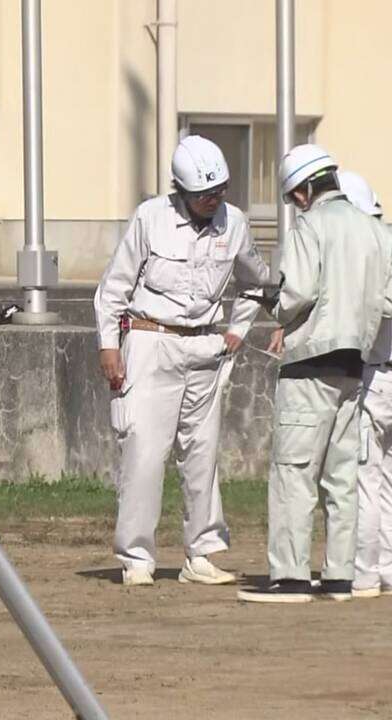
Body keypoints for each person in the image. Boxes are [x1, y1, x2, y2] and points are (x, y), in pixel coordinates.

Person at [94, 135, 272, 587]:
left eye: (220, 192)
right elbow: (114, 287)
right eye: (204, 195)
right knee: (144, 450)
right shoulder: (149, 218)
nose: (214, 201)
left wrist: (238, 328)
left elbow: (256, 281)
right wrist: (109, 346)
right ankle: (137, 556)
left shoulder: (235, 224)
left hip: (205, 346)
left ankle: (203, 553)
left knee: (203, 452)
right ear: (181, 191)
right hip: (152, 341)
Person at [237, 144, 392, 604]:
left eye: (292, 198)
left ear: (303, 192)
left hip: (310, 362)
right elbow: (385, 304)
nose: (294, 205)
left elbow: (298, 292)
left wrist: (274, 303)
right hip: (354, 366)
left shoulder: (310, 226)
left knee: (294, 472)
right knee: (342, 475)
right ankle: (339, 578)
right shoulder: (375, 232)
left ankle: (289, 578)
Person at [338, 170, 392, 599]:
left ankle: (365, 574)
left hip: (374, 378)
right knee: (391, 480)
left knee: (365, 480)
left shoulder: (369, 265)